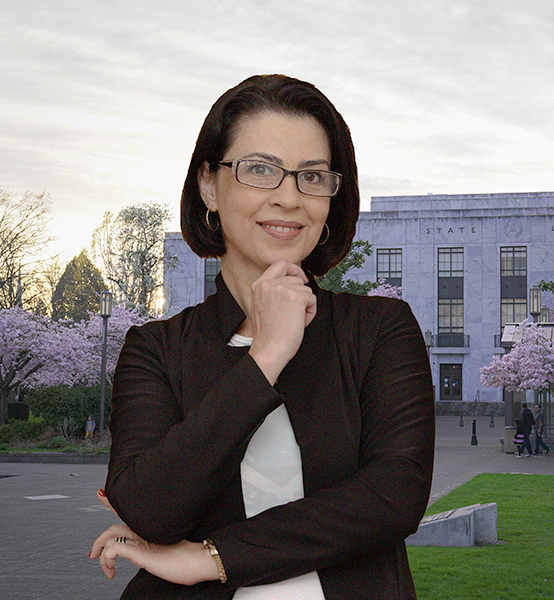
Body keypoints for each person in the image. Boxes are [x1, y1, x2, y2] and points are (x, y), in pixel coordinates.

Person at [88, 75, 436, 599]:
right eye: (259, 170)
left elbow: (393, 497)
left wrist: (213, 558)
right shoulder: (157, 350)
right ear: (209, 184)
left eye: (312, 176)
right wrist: (266, 356)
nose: (290, 198)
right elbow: (150, 509)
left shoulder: (379, 330)